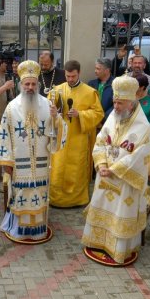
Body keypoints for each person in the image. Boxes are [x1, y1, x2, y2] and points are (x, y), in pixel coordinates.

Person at [80, 75, 150, 265]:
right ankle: (97, 241)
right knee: (102, 205)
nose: (116, 107)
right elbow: (100, 142)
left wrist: (114, 169)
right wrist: (102, 165)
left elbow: (140, 157)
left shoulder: (143, 127)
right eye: (115, 102)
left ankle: (119, 250)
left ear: (131, 103)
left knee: (121, 211)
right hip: (105, 175)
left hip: (125, 181)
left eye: (120, 103)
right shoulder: (112, 119)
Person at [0, 60, 65, 243]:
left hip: (40, 163)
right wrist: (6, 163)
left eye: (33, 84)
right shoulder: (12, 107)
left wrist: (56, 119)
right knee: (21, 195)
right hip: (19, 164)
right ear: (21, 84)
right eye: (27, 84)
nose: (30, 87)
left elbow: (59, 133)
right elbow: (3, 135)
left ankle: (38, 229)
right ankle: (20, 229)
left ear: (37, 85)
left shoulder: (48, 105)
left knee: (39, 193)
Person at [49, 60, 104, 208]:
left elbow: (98, 113)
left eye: (73, 76)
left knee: (76, 168)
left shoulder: (89, 92)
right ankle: (56, 198)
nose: (70, 79)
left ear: (78, 73)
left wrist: (80, 114)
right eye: (68, 76)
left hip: (79, 138)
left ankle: (77, 199)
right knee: (58, 168)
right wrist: (53, 113)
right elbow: (47, 112)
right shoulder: (57, 90)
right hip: (60, 137)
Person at [87, 57, 116, 121]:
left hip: (107, 121)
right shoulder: (91, 84)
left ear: (107, 70)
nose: (95, 71)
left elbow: (115, 105)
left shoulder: (116, 84)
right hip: (92, 120)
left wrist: (103, 119)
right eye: (95, 68)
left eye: (98, 69)